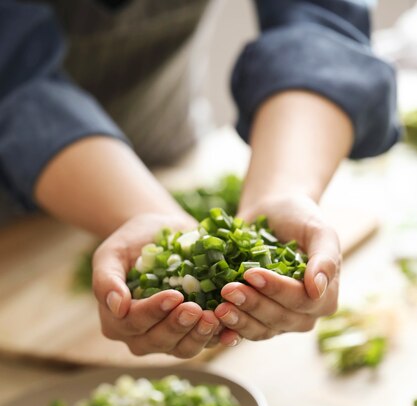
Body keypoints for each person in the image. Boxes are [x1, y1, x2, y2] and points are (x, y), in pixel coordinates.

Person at [0, 0, 399, 358]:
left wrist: (284, 192)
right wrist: (138, 213)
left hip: (160, 133)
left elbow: (320, 22)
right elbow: (11, 75)